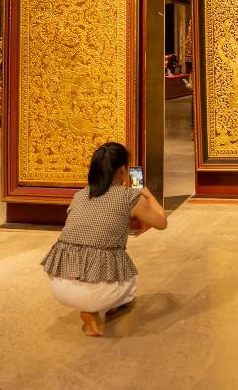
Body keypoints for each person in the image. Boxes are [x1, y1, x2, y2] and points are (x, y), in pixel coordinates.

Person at [40, 142, 168, 337]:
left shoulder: (80, 194)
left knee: (99, 269)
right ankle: (96, 307)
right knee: (130, 282)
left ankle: (94, 306)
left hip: (59, 285)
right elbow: (162, 222)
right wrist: (148, 195)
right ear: (123, 170)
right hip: (97, 291)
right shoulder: (130, 197)